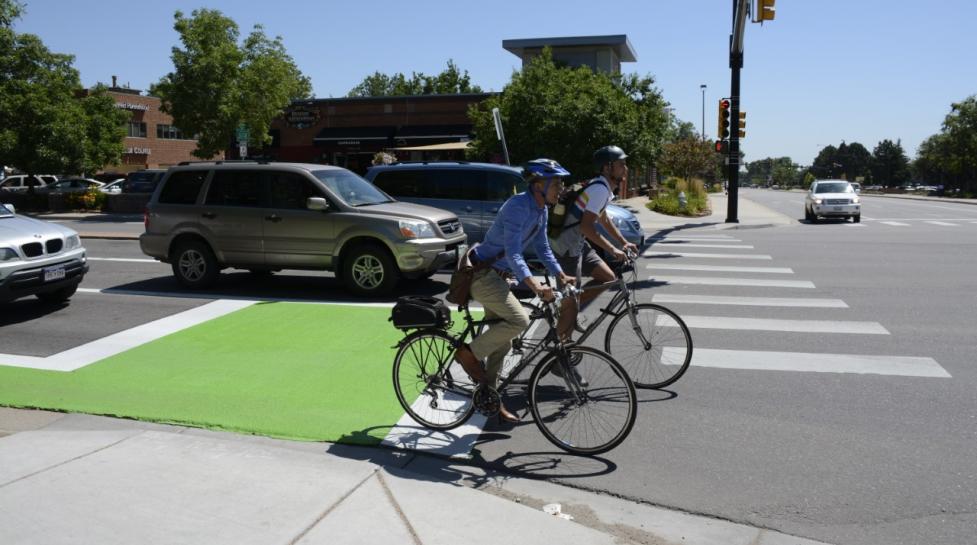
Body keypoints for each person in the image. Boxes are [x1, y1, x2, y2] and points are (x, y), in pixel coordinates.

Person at [453, 158, 576, 423]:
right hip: (483, 275)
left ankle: (490, 397)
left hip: (499, 276)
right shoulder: (517, 207)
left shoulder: (541, 210)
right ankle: (467, 354)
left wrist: (560, 274)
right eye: (556, 183)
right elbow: (513, 251)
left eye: (561, 183)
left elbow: (543, 248)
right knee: (519, 320)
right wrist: (533, 284)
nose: (561, 188)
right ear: (539, 185)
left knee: (503, 341)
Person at [549, 145, 639, 344]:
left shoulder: (602, 187)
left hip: (578, 244)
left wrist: (623, 242)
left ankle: (568, 307)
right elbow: (587, 227)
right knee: (571, 303)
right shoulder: (599, 189)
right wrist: (613, 249)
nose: (626, 168)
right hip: (566, 248)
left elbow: (604, 218)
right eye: (621, 164)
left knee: (607, 277)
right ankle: (561, 353)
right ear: (607, 168)